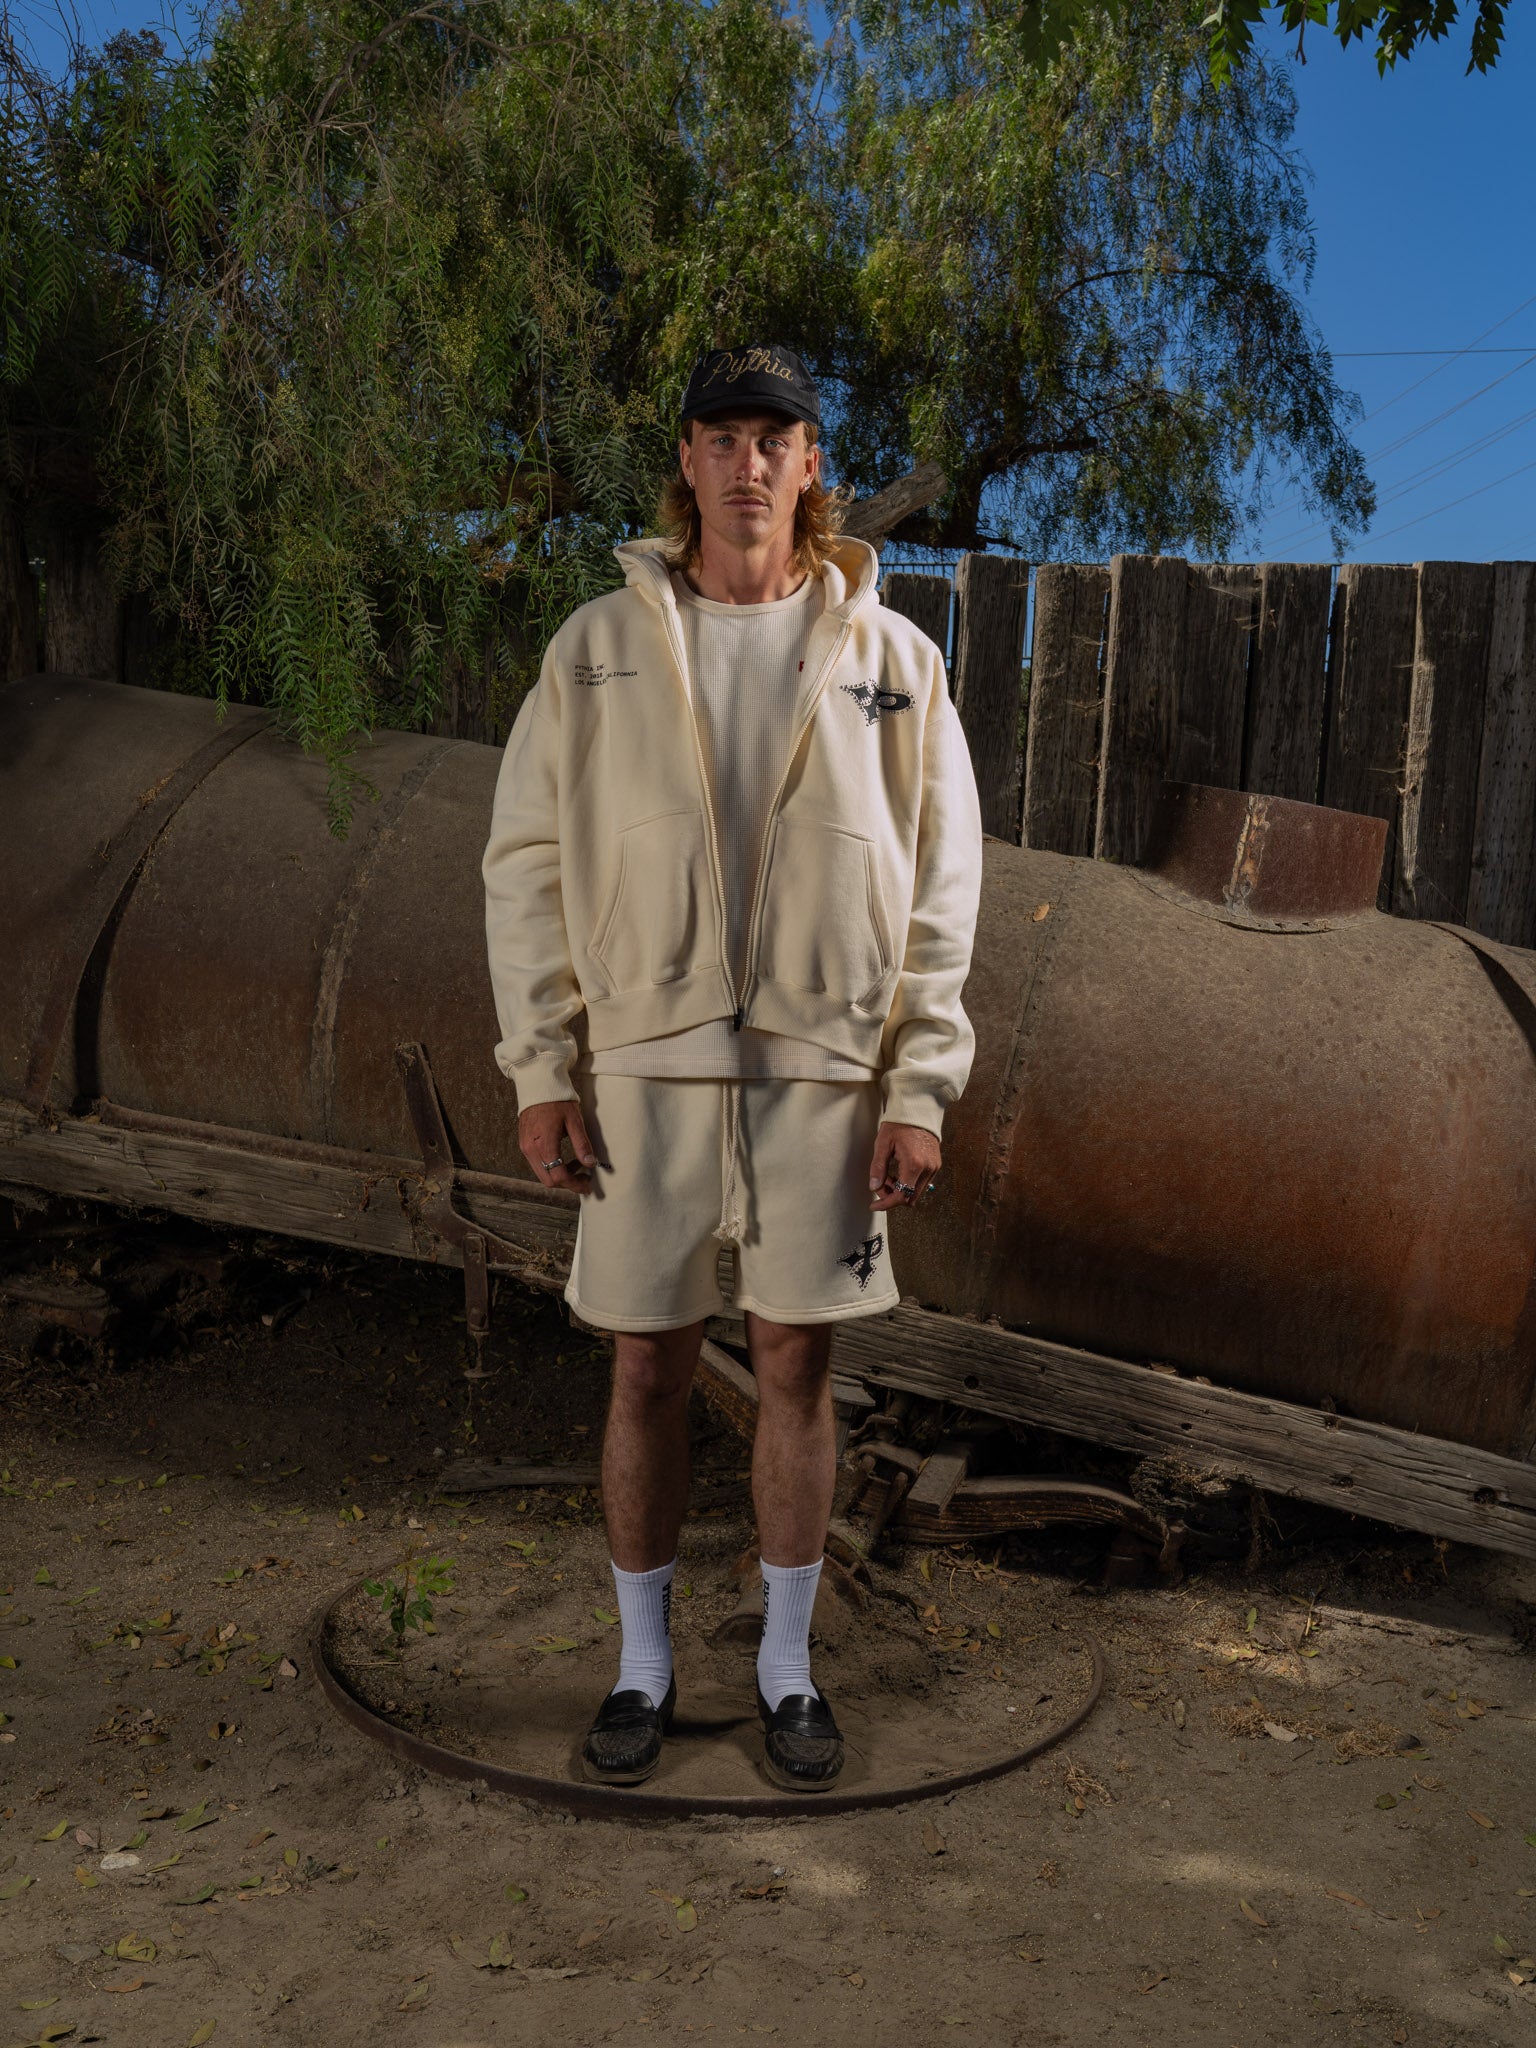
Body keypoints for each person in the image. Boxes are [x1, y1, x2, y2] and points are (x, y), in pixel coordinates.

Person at [482, 342, 982, 1790]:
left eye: (777, 437)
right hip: (645, 1065)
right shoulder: (596, 647)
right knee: (645, 1362)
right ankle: (642, 1669)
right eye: (723, 436)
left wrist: (917, 1086)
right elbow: (525, 862)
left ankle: (787, 1671)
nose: (750, 462)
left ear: (812, 464)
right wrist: (542, 1068)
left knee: (794, 1366)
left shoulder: (896, 662)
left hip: (826, 1070)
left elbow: (943, 886)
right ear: (689, 462)